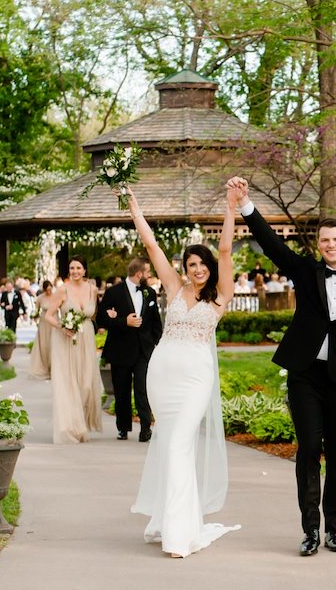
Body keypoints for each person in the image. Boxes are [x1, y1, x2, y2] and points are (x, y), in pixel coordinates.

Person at [227, 176, 336, 557]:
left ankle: (334, 530)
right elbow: (274, 246)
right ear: (319, 244)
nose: (330, 245)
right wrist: (245, 204)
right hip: (305, 374)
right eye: (325, 240)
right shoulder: (307, 272)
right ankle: (309, 530)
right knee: (309, 448)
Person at [124, 185, 240, 558]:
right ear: (185, 269)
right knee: (174, 445)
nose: (199, 269)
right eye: (192, 265)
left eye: (203, 263)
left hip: (194, 379)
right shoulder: (174, 288)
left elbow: (225, 248)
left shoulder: (221, 294)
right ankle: (179, 521)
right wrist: (134, 206)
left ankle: (179, 534)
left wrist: (230, 206)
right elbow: (152, 245)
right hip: (162, 374)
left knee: (177, 444)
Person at [97, 257, 161, 442]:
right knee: (122, 391)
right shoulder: (113, 292)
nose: (150, 275)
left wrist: (156, 342)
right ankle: (123, 428)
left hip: (143, 350)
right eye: (148, 272)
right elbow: (101, 319)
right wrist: (123, 321)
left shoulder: (149, 292)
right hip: (120, 350)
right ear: (139, 273)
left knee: (143, 390)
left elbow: (155, 320)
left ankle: (145, 428)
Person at [44, 258, 104, 443]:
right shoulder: (62, 290)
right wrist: (63, 326)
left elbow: (93, 314)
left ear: (85, 270)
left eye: (78, 268)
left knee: (86, 384)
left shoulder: (93, 290)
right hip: (66, 340)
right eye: (72, 268)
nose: (75, 271)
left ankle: (82, 423)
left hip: (86, 338)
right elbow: (48, 315)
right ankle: (70, 427)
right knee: (69, 383)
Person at [29, 280, 56, 380]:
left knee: (54, 343)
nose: (49, 291)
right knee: (44, 345)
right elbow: (36, 310)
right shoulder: (41, 298)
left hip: (54, 320)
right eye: (47, 290)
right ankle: (44, 366)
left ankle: (54, 368)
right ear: (45, 289)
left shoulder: (56, 296)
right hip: (44, 323)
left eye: (50, 289)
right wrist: (34, 316)